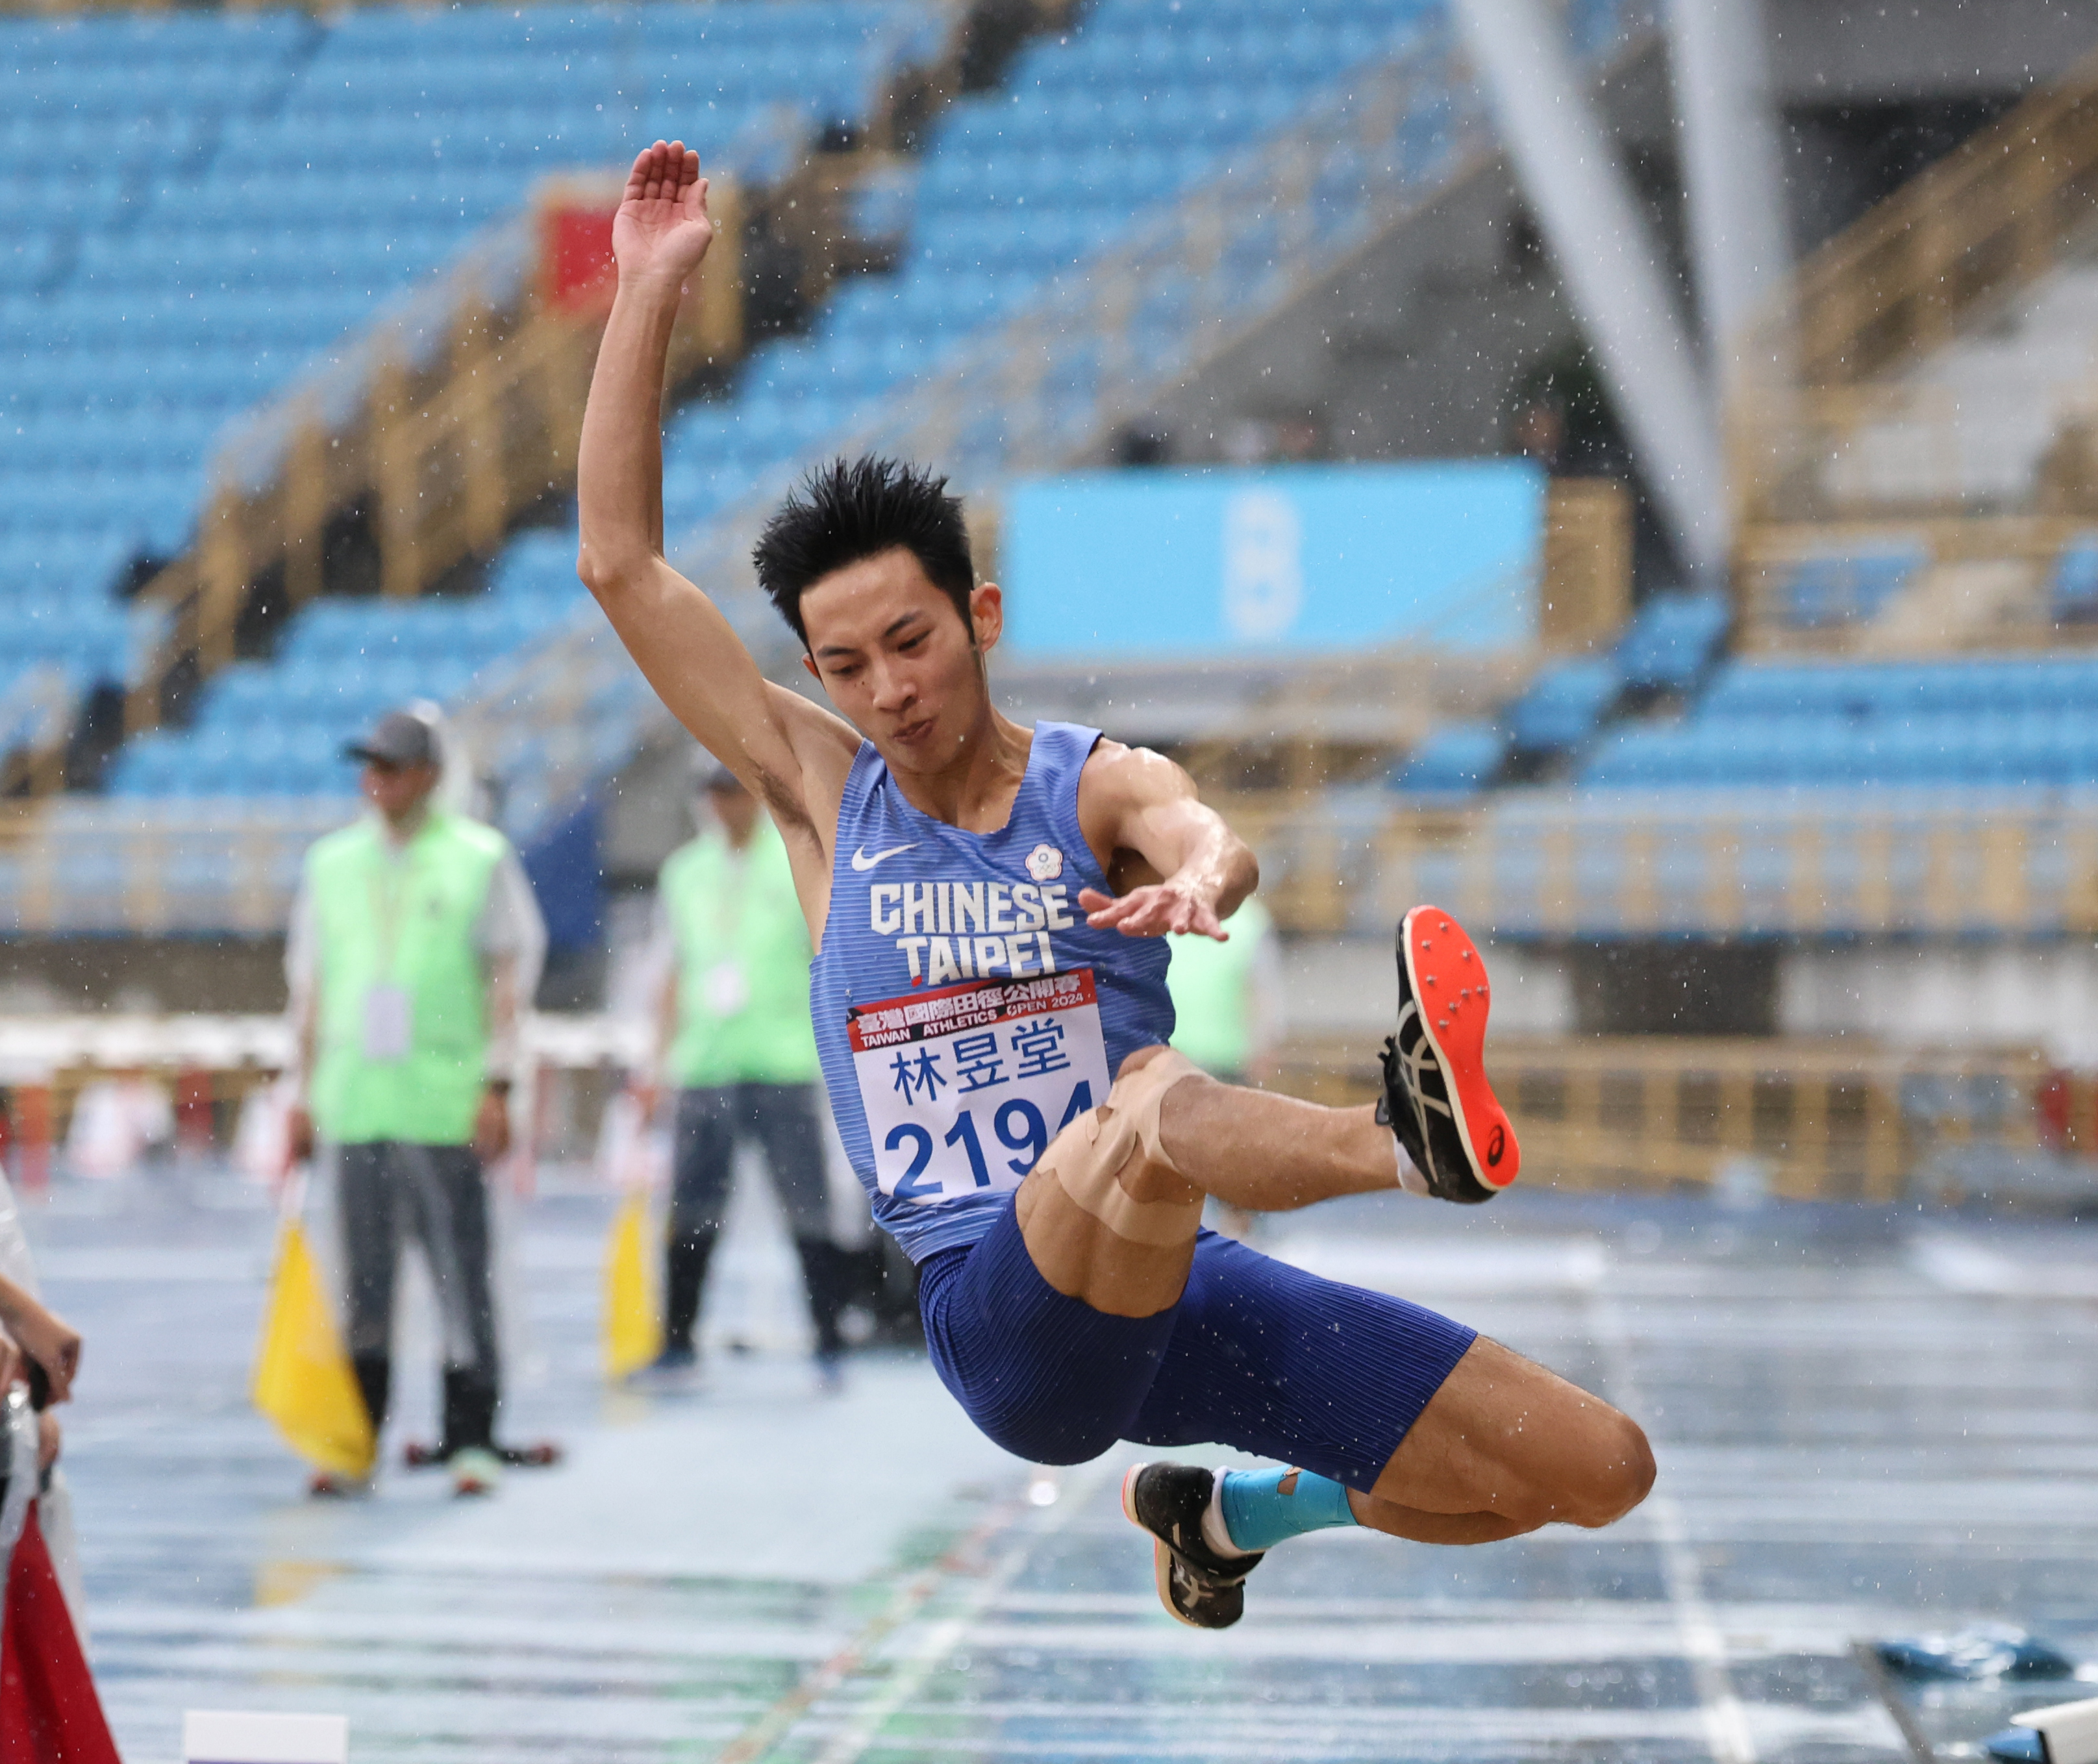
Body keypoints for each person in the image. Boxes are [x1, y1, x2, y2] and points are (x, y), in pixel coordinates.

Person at [575, 142, 1653, 1630]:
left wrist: (1200, 877)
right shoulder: (822, 798)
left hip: (1179, 1288)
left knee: (1593, 1466)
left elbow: (1204, 832)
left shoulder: (1086, 787)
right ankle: (1402, 1143)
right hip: (1000, 1315)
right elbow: (621, 567)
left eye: (911, 641)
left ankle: (1227, 1516)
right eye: (846, 665)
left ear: (980, 615)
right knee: (1148, 1094)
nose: (887, 689)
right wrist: (646, 290)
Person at [285, 705, 549, 1498]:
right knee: (362, 1286)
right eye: (368, 765)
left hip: (445, 1103)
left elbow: (508, 978)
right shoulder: (332, 864)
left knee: (460, 1277)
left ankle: (471, 1436)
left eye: (391, 766)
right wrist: (299, 1093)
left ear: (430, 775)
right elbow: (309, 987)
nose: (376, 779)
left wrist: (499, 1083)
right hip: (356, 1101)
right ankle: (357, 1439)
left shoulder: (477, 857)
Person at [638, 757, 851, 1387]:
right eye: (712, 792)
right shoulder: (684, 872)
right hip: (707, 1062)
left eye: (731, 791)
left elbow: (829, 957)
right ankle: (678, 1343)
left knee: (807, 1209)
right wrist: (658, 1062)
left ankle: (829, 1339)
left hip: (782, 1061)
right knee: (691, 1211)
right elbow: (671, 970)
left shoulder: (796, 860)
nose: (722, 804)